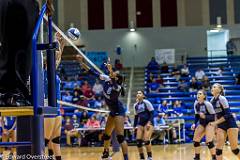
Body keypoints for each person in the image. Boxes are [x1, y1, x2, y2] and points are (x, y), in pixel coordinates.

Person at [44, 32, 65, 160]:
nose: (56, 60)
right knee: (44, 141)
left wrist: (62, 42)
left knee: (56, 141)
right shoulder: (45, 73)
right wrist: (55, 40)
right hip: (49, 106)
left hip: (56, 108)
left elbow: (59, 56)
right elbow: (56, 56)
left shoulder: (53, 73)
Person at [209, 83, 240, 160]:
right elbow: (215, 115)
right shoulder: (211, 101)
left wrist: (216, 123)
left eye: (214, 87)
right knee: (218, 149)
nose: (212, 88)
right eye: (212, 87)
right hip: (221, 125)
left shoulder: (222, 98)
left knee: (234, 149)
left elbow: (228, 115)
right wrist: (215, 126)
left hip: (230, 124)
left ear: (219, 90)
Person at [191, 90, 216, 160]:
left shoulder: (207, 104)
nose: (198, 95)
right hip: (202, 123)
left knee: (208, 141)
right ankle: (197, 157)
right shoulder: (196, 104)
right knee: (195, 140)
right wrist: (194, 124)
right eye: (197, 94)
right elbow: (196, 115)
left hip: (210, 123)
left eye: (200, 94)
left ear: (204, 96)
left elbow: (213, 116)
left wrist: (205, 117)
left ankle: (214, 157)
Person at [133, 91, 154, 160]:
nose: (138, 94)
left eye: (140, 93)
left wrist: (149, 122)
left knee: (146, 140)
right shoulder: (135, 105)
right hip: (141, 123)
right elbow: (136, 117)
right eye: (137, 93)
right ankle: (142, 157)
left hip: (148, 122)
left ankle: (150, 156)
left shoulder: (146, 102)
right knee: (138, 141)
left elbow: (152, 113)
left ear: (143, 96)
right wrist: (134, 126)